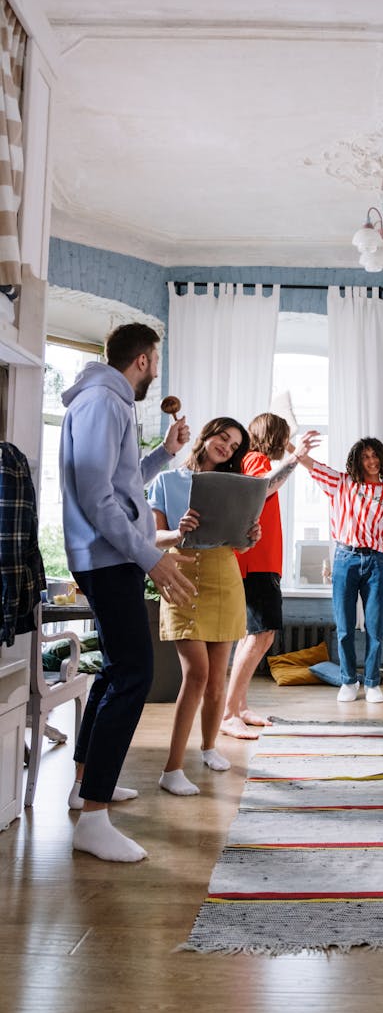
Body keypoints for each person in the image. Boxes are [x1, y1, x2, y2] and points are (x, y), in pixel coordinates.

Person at [60, 322, 195, 862]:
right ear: (142, 360)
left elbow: (121, 484)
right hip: (110, 557)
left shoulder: (108, 403)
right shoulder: (104, 402)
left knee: (118, 670)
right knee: (136, 673)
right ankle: (93, 820)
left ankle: (85, 785)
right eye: (156, 361)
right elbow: (96, 498)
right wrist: (150, 556)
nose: (157, 372)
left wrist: (163, 453)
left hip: (113, 555)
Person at [148, 416, 259, 795]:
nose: (227, 447)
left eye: (234, 445)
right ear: (208, 435)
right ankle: (172, 769)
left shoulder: (234, 486)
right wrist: (179, 532)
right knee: (196, 673)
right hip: (181, 573)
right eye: (223, 438)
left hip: (224, 576)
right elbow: (153, 538)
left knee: (216, 680)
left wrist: (250, 537)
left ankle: (210, 747)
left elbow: (238, 545)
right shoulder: (167, 481)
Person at [297, 437, 383, 703]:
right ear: (357, 461)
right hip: (344, 560)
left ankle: (372, 683)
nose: (371, 461)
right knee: (345, 627)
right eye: (365, 456)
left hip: (374, 563)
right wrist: (297, 449)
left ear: (382, 460)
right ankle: (348, 681)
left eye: (375, 456)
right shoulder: (341, 484)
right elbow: (311, 465)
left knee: (375, 626)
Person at [221, 415, 320, 739]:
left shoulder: (254, 459)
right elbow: (261, 489)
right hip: (255, 565)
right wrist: (294, 458)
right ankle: (229, 713)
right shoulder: (255, 458)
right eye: (285, 438)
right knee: (261, 635)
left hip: (261, 564)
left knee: (254, 636)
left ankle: (240, 707)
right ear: (275, 437)